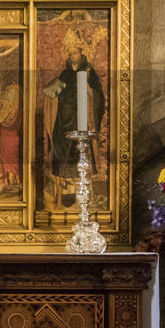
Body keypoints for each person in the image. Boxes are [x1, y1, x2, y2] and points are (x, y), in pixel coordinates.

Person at [42, 31, 104, 206]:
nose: (72, 57)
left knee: (80, 150)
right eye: (69, 55)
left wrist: (89, 92)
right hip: (63, 120)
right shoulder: (65, 73)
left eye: (74, 53)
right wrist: (50, 94)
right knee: (60, 146)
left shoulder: (89, 72)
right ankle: (63, 189)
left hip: (81, 120)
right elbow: (51, 92)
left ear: (82, 53)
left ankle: (81, 191)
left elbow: (98, 96)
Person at [0, 85, 22, 196]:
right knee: (1, 159)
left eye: (10, 93)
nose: (7, 94)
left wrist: (1, 121)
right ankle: (3, 184)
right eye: (8, 92)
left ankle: (13, 184)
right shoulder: (4, 106)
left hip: (12, 139)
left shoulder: (16, 110)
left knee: (11, 161)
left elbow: (12, 123)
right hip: (3, 138)